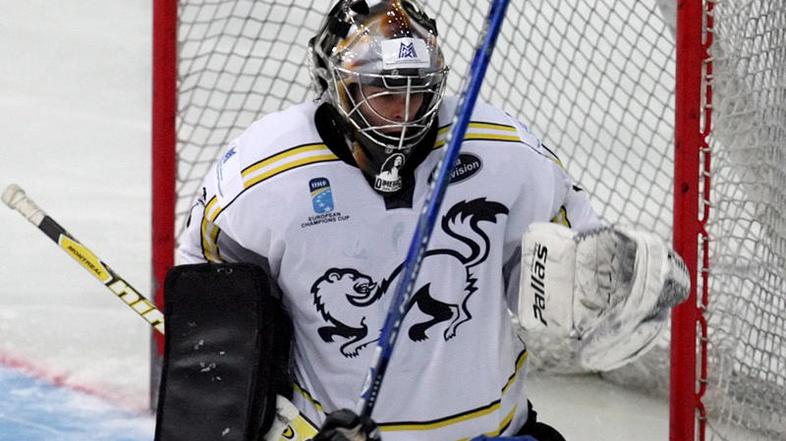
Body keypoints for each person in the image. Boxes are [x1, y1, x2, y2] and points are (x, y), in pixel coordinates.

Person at [177, 1, 688, 440]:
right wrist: (272, 419)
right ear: (340, 89)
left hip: (493, 433)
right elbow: (216, 303)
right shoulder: (260, 172)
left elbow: (552, 275)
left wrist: (608, 285)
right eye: (384, 92)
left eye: (416, 91)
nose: (403, 113)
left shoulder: (503, 151)